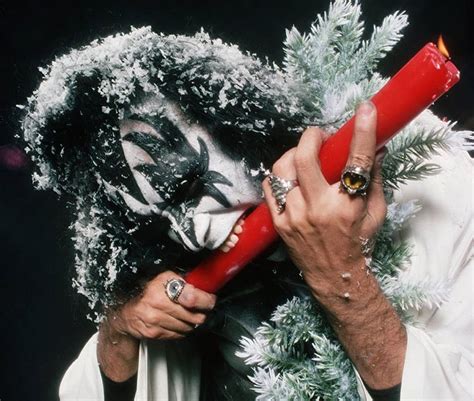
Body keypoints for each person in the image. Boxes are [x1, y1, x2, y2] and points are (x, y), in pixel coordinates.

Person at [21, 4, 472, 400]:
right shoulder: (182, 269)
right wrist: (122, 326)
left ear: (241, 127)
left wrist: (339, 274)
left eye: (189, 185)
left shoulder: (437, 184)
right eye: (160, 222)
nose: (193, 235)